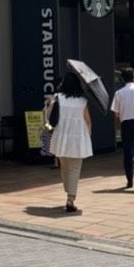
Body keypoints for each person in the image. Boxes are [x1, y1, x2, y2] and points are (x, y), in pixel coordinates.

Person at [47, 70, 94, 213]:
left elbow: (49, 116)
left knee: (64, 167)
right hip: (78, 138)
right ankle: (70, 199)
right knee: (74, 169)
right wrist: (88, 134)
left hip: (61, 137)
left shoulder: (57, 97)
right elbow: (88, 121)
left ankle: (68, 191)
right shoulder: (82, 101)